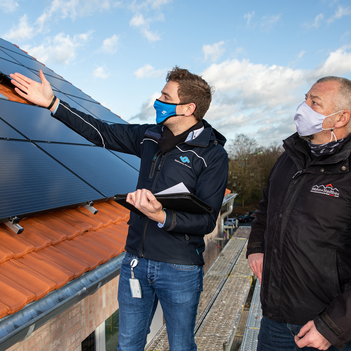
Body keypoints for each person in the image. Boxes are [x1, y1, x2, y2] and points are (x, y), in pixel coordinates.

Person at [10, 67, 228, 351]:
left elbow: (207, 221)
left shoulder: (211, 154)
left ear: (188, 108)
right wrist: (53, 104)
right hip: (136, 262)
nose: (157, 101)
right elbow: (102, 132)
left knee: (181, 345)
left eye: (165, 96)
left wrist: (160, 215)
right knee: (127, 344)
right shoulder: (150, 136)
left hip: (180, 267)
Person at [247, 76, 351, 351]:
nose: (302, 107)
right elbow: (266, 208)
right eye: (305, 98)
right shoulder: (290, 157)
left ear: (340, 118)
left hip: (330, 331)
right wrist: (256, 247)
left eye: (314, 102)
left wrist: (334, 326)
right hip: (275, 319)